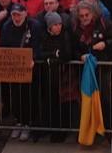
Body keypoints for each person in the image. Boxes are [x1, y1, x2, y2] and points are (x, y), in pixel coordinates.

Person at [0, 3, 38, 142]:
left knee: (28, 97)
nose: (16, 17)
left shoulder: (34, 26)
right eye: (14, 15)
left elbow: (38, 45)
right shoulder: (7, 26)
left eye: (19, 14)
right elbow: (3, 46)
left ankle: (27, 123)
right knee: (15, 96)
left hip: (29, 68)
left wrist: (34, 59)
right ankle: (19, 122)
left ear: (25, 13)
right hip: (13, 69)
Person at [37, 12, 74, 143]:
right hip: (48, 76)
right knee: (49, 103)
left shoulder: (65, 35)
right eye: (55, 25)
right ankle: (50, 128)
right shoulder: (44, 36)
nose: (58, 27)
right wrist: (54, 54)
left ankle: (61, 131)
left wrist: (52, 57)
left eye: (59, 24)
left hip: (63, 76)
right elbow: (39, 53)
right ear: (49, 26)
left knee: (62, 105)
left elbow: (67, 54)